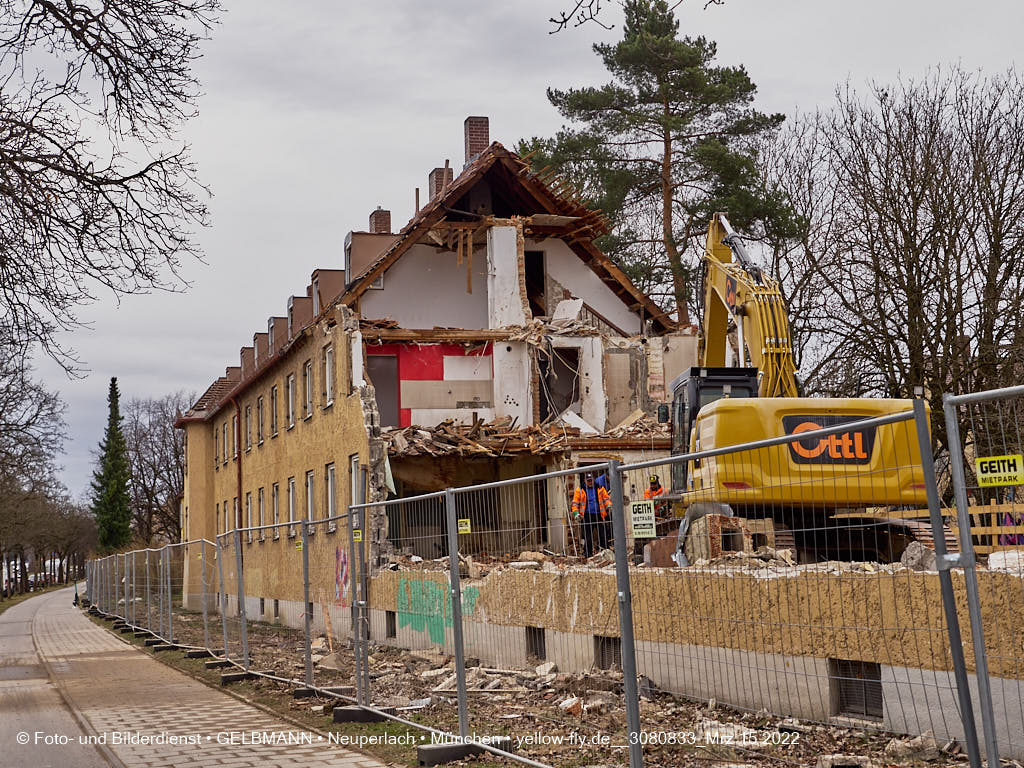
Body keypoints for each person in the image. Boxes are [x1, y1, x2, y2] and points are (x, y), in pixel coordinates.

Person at [572, 472, 612, 557]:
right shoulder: (580, 490)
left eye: (591, 480)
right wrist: (576, 513)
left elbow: (606, 498)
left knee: (603, 534)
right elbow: (575, 503)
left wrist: (608, 505)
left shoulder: (600, 488)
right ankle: (588, 554)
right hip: (586, 516)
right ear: (585, 481)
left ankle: (606, 553)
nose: (590, 482)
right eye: (588, 481)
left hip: (599, 515)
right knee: (588, 536)